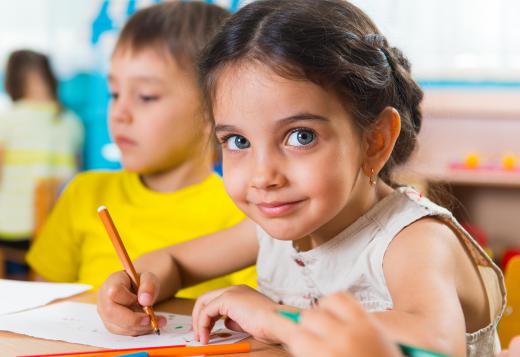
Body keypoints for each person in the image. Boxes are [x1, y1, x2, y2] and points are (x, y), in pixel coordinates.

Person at [97, 1, 505, 355]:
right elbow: (175, 262)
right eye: (237, 140)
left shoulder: (411, 239)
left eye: (300, 136)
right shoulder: (275, 231)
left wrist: (277, 319)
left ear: (374, 141)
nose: (263, 175)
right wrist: (137, 286)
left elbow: (435, 342)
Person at [26, 1, 255, 298]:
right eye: (115, 93)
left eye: (145, 97)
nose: (119, 112)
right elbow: (38, 309)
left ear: (214, 110)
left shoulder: (243, 213)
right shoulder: (84, 195)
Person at [0, 50, 83, 271]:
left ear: (12, 80)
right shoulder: (72, 122)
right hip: (58, 230)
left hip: (13, 230)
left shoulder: (7, 120)